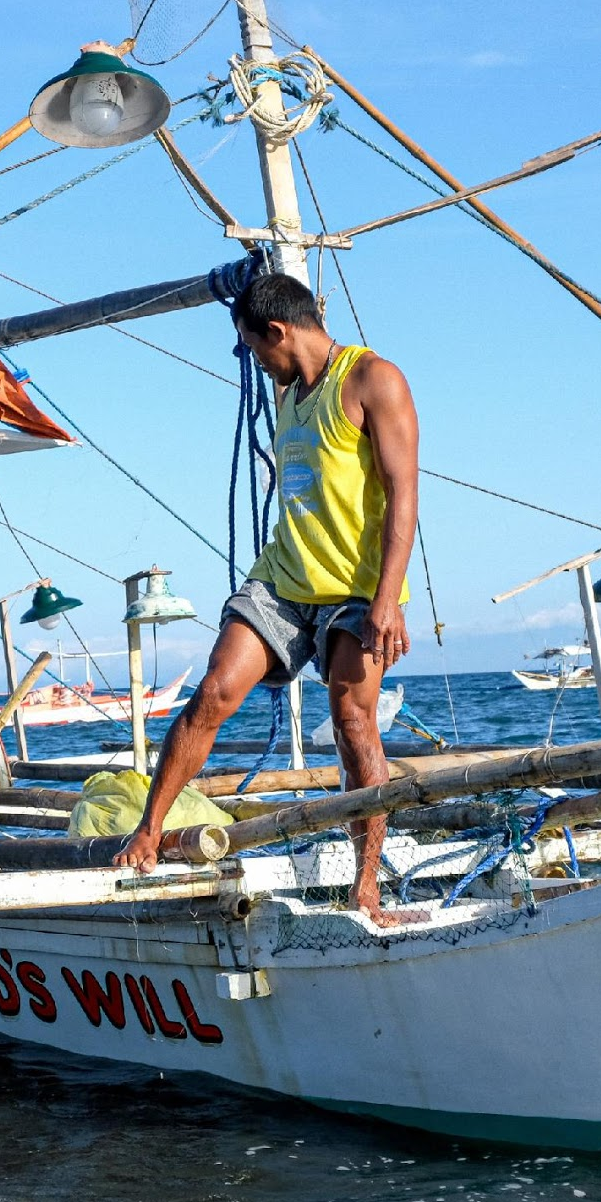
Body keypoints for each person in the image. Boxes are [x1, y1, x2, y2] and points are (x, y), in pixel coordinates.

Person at [112, 271, 419, 926]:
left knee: (352, 718)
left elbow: (404, 495)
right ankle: (147, 832)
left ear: (279, 333)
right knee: (216, 691)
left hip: (360, 587)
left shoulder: (373, 380)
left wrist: (387, 600)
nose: (257, 362)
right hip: (283, 577)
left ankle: (366, 888)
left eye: (256, 349)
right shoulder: (288, 392)